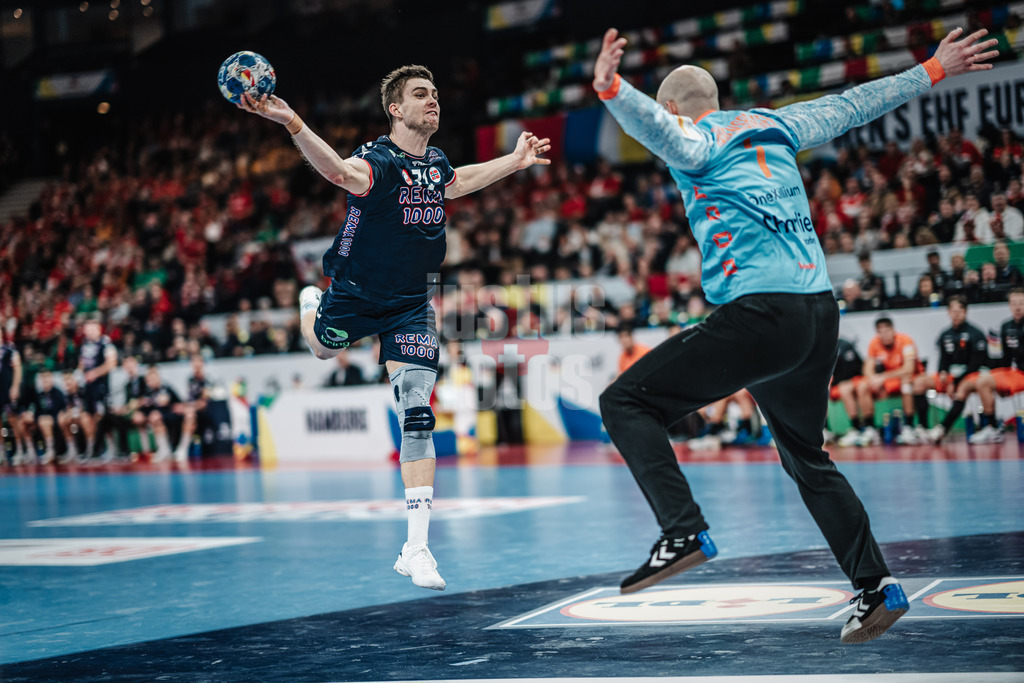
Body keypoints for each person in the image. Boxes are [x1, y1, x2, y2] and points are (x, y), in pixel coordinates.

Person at [592, 24, 997, 644]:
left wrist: (615, 90)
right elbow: (854, 103)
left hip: (761, 315)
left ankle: (682, 529)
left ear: (677, 109)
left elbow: (657, 129)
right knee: (808, 457)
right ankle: (877, 588)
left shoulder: (695, 139)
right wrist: (932, 70)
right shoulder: (778, 124)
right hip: (818, 315)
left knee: (624, 402)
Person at [237, 64, 550, 591]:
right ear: (395, 109)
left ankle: (417, 547)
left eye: (435, 94)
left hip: (411, 302)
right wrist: (291, 121)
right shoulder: (376, 162)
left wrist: (515, 162)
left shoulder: (434, 160)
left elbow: (459, 182)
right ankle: (311, 307)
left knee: (418, 412)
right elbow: (337, 170)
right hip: (355, 295)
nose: (433, 102)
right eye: (421, 95)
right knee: (320, 348)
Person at [907, 296, 990, 444]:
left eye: (959, 311)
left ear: (965, 312)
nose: (956, 314)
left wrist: (956, 381)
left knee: (962, 389)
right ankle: (923, 428)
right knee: (919, 382)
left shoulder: (975, 333)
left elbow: (976, 363)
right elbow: (943, 359)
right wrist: (943, 372)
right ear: (948, 312)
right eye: (953, 311)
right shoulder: (946, 334)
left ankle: (942, 429)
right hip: (951, 376)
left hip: (971, 375)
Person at [846, 317, 923, 447]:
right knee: (863, 385)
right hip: (888, 381)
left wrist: (883, 377)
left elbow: (909, 369)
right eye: (880, 332)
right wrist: (873, 379)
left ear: (893, 330)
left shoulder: (905, 341)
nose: (884, 335)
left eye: (887, 331)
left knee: (906, 382)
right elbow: (867, 369)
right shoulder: (875, 343)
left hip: (908, 378)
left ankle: (908, 427)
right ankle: (870, 428)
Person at [974, 287, 1024, 443]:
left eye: (1022, 303)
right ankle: (993, 428)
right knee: (982, 381)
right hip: (1018, 373)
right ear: (1009, 305)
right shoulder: (1006, 326)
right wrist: (1002, 381)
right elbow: (1006, 358)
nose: (1017, 307)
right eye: (1014, 303)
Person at [77, 319, 118, 461]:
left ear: (99, 329)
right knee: (86, 416)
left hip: (101, 387)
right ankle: (92, 448)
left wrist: (94, 373)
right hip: (87, 388)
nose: (90, 332)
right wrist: (79, 373)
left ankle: (109, 448)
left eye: (93, 329)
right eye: (87, 329)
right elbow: (82, 362)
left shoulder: (105, 343)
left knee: (101, 417)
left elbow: (111, 363)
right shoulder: (85, 344)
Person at [136, 365, 183, 463]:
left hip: (171, 418)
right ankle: (148, 450)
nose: (150, 381)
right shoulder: (148, 392)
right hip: (156, 418)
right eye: (148, 379)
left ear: (157, 377)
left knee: (156, 417)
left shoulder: (166, 389)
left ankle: (165, 450)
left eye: (152, 378)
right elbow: (145, 408)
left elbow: (177, 404)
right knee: (143, 418)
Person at [829, 338, 865, 445]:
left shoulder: (844, 346)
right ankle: (824, 429)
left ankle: (857, 427)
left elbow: (855, 368)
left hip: (851, 380)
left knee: (845, 389)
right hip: (832, 383)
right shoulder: (817, 346)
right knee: (819, 389)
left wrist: (836, 381)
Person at [27, 370, 67, 465]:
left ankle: (51, 450)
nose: (45, 380)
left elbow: (61, 410)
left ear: (51, 379)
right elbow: (36, 411)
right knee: (26, 421)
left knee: (45, 421)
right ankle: (30, 452)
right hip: (41, 421)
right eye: (43, 377)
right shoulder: (39, 394)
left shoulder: (57, 393)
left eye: (47, 377)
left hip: (55, 421)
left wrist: (49, 418)